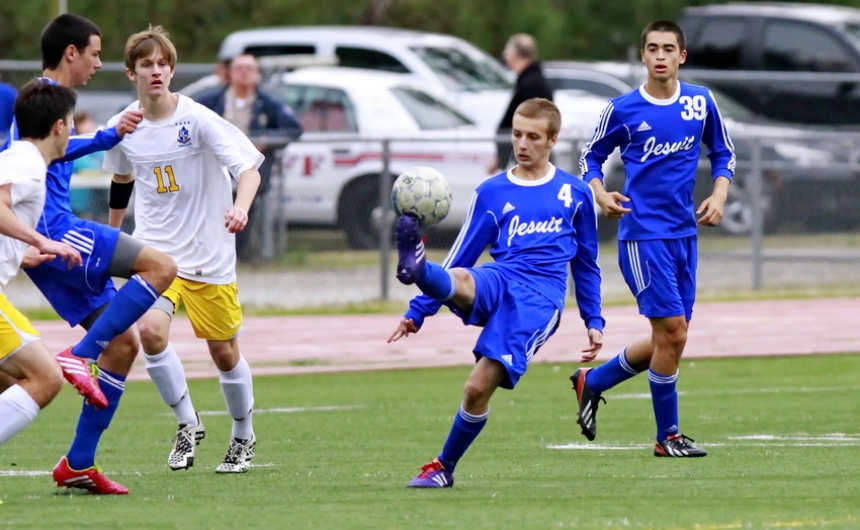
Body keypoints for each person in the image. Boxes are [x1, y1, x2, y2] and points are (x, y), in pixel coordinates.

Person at [1, 14, 178, 494]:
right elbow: (25, 160)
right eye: (96, 53)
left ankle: (79, 462)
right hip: (59, 232)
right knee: (161, 267)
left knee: (123, 345)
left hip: (45, 242)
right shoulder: (31, 103)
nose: (100, 63)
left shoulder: (47, 104)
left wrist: (108, 136)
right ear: (71, 53)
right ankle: (81, 354)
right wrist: (105, 137)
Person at [389, 97, 605, 488]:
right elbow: (461, 255)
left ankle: (443, 467)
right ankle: (417, 268)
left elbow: (586, 264)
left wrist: (594, 320)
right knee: (464, 277)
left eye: (533, 137)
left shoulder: (575, 194)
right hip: (501, 276)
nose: (522, 144)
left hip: (539, 300)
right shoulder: (492, 192)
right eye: (517, 134)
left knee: (475, 389)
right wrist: (419, 310)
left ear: (553, 139)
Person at [104, 26, 264, 474]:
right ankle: (187, 423)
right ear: (132, 72)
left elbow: (249, 169)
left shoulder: (198, 119)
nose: (155, 71)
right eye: (146, 64)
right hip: (157, 255)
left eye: (162, 64)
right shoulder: (126, 126)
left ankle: (242, 434)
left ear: (171, 70)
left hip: (209, 255)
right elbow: (121, 180)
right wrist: (113, 243)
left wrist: (240, 206)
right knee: (150, 334)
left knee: (224, 353)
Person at [574, 19, 735, 458]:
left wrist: (719, 194)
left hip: (685, 233)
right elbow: (591, 157)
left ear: (681, 56)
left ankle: (594, 380)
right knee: (673, 332)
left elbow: (723, 152)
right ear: (642, 56)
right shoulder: (623, 109)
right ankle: (668, 437)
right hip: (642, 236)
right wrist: (601, 193)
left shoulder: (700, 102)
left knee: (672, 338)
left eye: (669, 49)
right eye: (652, 48)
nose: (660, 56)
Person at [0, 80, 88, 447]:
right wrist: (40, 239)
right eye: (71, 122)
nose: (72, 130)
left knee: (9, 383)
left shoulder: (15, 157)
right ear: (59, 127)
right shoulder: (29, 165)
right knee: (45, 378)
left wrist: (25, 253)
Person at [196, 53, 301, 262]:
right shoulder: (212, 101)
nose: (244, 73)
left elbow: (293, 128)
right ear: (230, 73)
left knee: (242, 215)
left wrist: (265, 139)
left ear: (257, 74)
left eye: (249, 68)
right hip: (216, 170)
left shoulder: (266, 103)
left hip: (248, 171)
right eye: (239, 68)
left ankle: (241, 256)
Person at [489, 34, 554, 174]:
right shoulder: (532, 79)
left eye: (507, 51)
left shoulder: (531, 83)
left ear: (515, 54)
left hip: (528, 154)